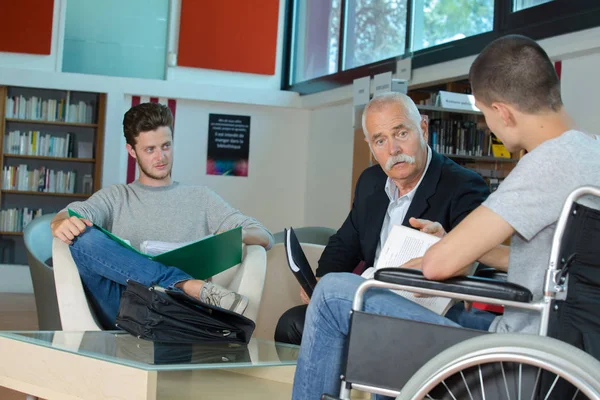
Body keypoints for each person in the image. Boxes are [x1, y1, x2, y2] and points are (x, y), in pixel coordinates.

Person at [291, 34, 600, 399]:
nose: (489, 126)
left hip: (519, 354)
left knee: (330, 293)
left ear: (502, 111)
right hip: (568, 349)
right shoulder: (589, 154)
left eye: (485, 115)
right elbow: (552, 264)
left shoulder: (544, 164)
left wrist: (446, 249)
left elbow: (437, 266)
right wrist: (457, 243)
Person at [275, 91, 494, 345]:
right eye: (380, 141)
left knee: (300, 323)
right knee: (292, 323)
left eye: (401, 133)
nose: (394, 149)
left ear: (423, 129)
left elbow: (472, 262)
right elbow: (345, 243)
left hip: (420, 309)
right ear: (370, 146)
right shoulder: (371, 182)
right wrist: (322, 281)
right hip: (369, 299)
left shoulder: (464, 185)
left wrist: (446, 244)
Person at [50, 102, 273, 329]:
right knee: (82, 238)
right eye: (150, 149)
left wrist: (236, 234)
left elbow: (265, 236)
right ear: (131, 151)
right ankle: (185, 284)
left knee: (84, 238)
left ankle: (182, 288)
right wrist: (60, 222)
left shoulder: (201, 198)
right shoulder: (115, 197)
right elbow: (74, 213)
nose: (161, 157)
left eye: (166, 146)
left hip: (179, 312)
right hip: (125, 310)